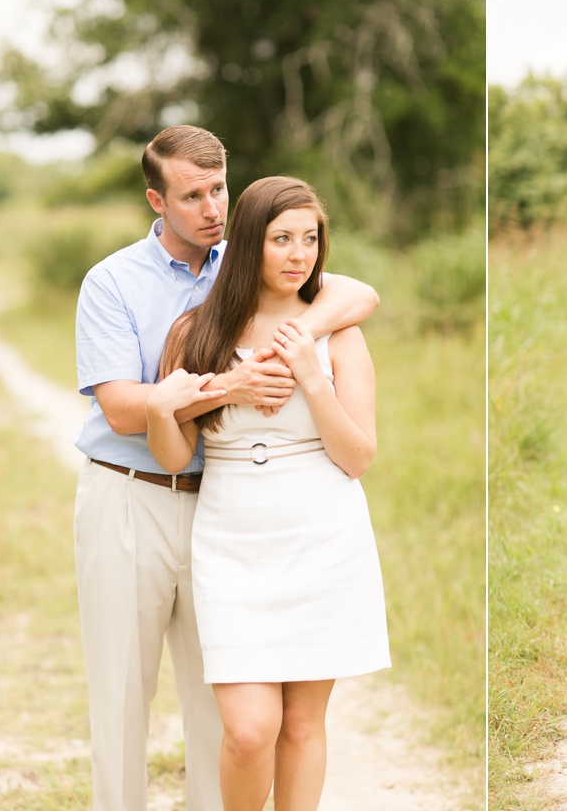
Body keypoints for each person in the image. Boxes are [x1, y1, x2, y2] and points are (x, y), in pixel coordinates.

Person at [74, 126, 379, 811]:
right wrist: (225, 389)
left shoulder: (242, 262)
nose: (211, 207)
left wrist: (299, 343)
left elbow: (357, 295)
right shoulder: (117, 282)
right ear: (158, 200)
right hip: (136, 497)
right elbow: (127, 410)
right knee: (125, 692)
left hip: (233, 502)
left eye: (219, 190)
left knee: (231, 716)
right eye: (192, 195)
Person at [145, 175, 390, 811]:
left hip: (323, 533)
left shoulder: (337, 333)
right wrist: (165, 411)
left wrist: (314, 380)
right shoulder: (196, 333)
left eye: (310, 239)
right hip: (232, 540)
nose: (298, 254)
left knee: (304, 726)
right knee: (251, 731)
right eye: (282, 238)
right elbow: (174, 456)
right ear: (250, 242)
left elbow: (358, 457)